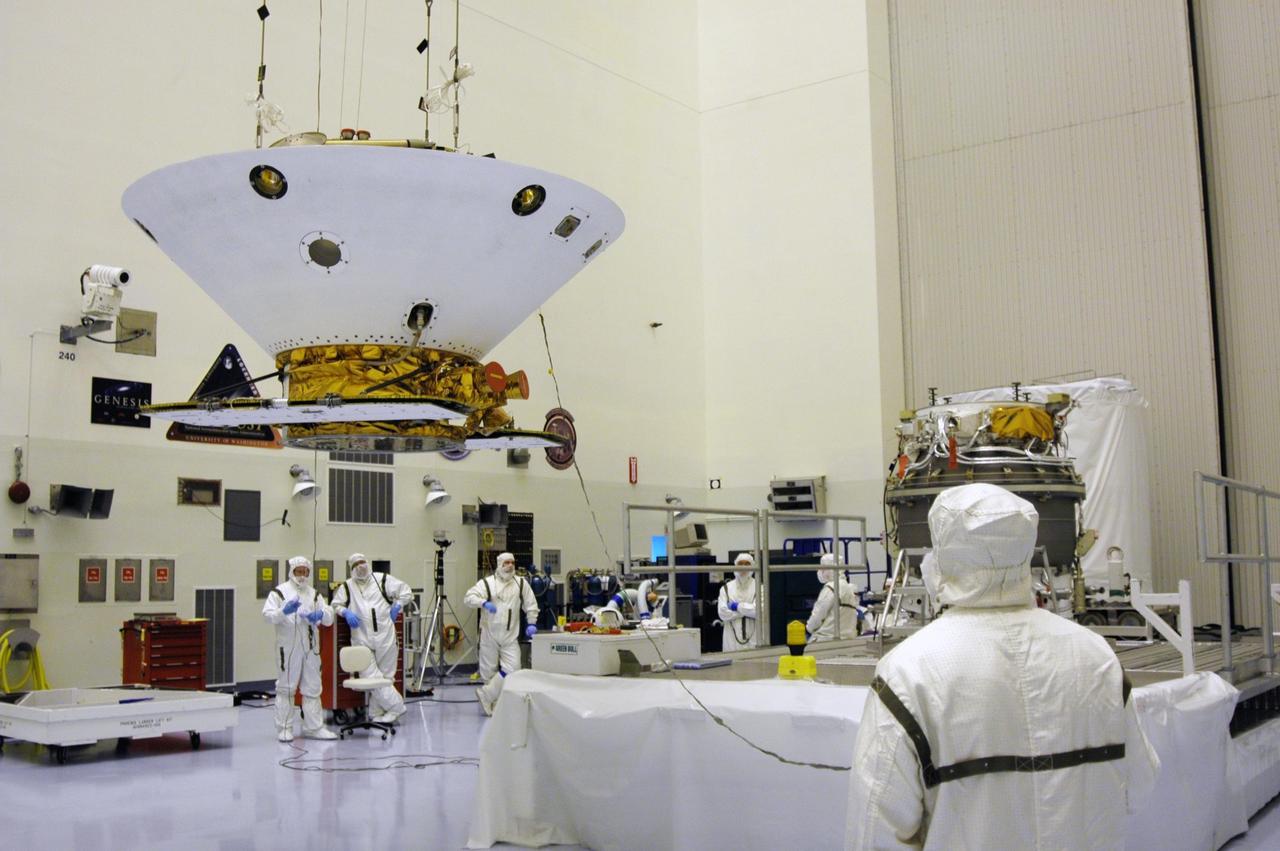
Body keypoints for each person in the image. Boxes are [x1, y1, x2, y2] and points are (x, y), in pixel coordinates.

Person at [846, 483, 1135, 849]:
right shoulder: (1097, 657)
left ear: (944, 553)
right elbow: (1137, 782)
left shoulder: (907, 672)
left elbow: (876, 830)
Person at [331, 553, 414, 724]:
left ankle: (377, 714)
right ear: (351, 568)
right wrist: (345, 612)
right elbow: (335, 604)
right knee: (370, 676)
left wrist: (398, 605)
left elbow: (406, 591)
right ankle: (397, 707)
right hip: (361, 639)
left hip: (386, 636)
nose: (361, 567)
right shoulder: (348, 587)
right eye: (357, 565)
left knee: (386, 677)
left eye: (363, 562)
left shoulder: (382, 580)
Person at [262, 556, 338, 742]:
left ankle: (314, 727)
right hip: (288, 648)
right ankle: (285, 728)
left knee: (312, 687)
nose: (302, 576)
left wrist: (321, 614)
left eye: (305, 572)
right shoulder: (279, 593)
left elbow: (328, 617)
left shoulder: (314, 594)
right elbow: (267, 616)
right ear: (291, 572)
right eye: (299, 571)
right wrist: (283, 612)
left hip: (311, 648)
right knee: (286, 688)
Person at [464, 552, 538, 716]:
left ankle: (486, 694)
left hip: (510, 635)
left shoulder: (520, 584)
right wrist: (483, 602)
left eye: (512, 562)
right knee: (488, 672)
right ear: (499, 565)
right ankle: (493, 702)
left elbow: (531, 604)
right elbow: (469, 597)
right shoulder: (487, 583)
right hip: (489, 633)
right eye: (506, 563)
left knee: (513, 669)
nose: (510, 566)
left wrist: (532, 622)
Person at [805, 553, 860, 642]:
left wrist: (808, 629)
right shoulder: (848, 588)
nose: (820, 571)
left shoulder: (831, 588)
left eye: (823, 568)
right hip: (848, 639)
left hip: (826, 639)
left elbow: (818, 615)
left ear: (830, 569)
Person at [717, 552, 759, 651]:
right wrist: (747, 611)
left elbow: (759, 611)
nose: (743, 567)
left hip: (753, 640)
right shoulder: (726, 588)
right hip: (731, 641)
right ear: (736, 566)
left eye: (747, 564)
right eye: (740, 564)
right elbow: (722, 613)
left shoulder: (759, 587)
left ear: (752, 567)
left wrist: (737, 607)